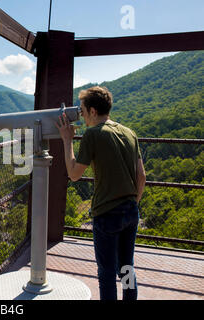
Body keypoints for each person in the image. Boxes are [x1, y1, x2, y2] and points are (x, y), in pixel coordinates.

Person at [55, 86, 146, 300]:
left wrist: (67, 140)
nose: (83, 116)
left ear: (93, 111)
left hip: (107, 213)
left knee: (106, 273)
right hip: (131, 210)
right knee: (126, 268)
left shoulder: (93, 134)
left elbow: (74, 173)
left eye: (84, 111)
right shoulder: (129, 133)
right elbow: (141, 177)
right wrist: (131, 204)